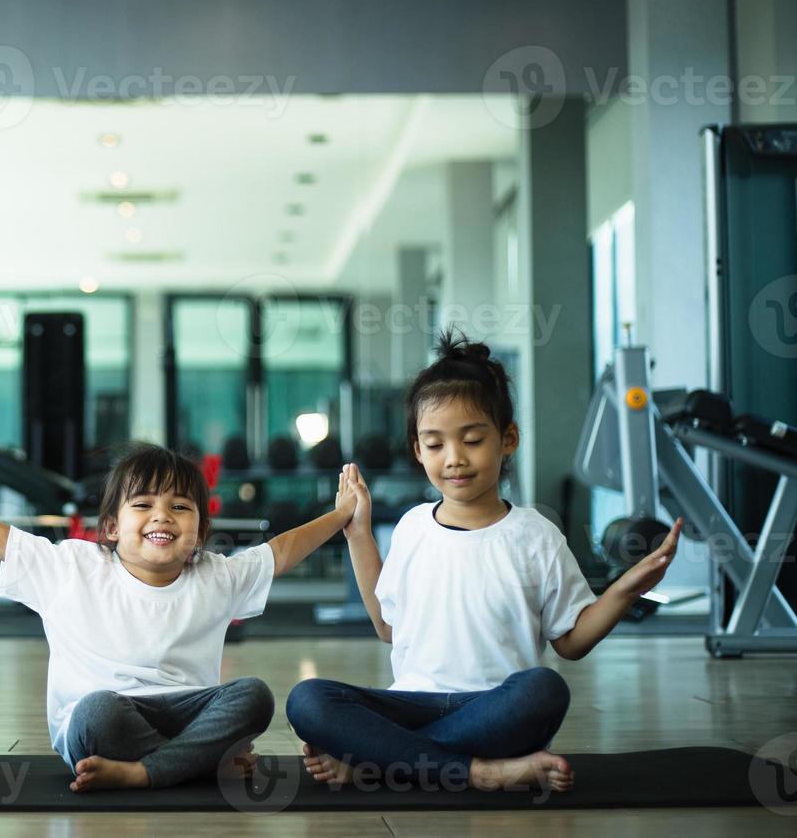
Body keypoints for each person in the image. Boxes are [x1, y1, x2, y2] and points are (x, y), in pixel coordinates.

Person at [287, 331, 682, 795]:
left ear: (507, 438)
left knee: (545, 690)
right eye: (434, 445)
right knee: (308, 700)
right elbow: (387, 626)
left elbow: (570, 643)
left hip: (495, 708)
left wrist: (625, 589)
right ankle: (478, 773)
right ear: (418, 450)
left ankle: (383, 762)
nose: (454, 459)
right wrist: (358, 532)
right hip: (411, 702)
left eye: (471, 440)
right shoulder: (413, 526)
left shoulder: (536, 534)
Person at [0, 437, 366, 792]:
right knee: (98, 709)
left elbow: (280, 551)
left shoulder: (215, 575)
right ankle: (196, 762)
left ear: (200, 531)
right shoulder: (73, 566)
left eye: (179, 508)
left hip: (185, 714)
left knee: (253, 696)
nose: (162, 517)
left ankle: (146, 772)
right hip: (102, 725)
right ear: (110, 528)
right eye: (143, 505)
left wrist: (342, 514)